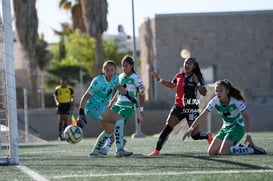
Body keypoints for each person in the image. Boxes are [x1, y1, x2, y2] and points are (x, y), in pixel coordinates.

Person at [183, 79, 266, 155]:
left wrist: (248, 135)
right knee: (211, 152)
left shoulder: (235, 101)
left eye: (221, 91)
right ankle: (237, 149)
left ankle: (252, 150)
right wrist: (190, 129)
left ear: (227, 91)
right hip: (225, 128)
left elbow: (247, 118)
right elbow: (202, 115)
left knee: (224, 151)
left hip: (237, 128)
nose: (218, 93)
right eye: (216, 91)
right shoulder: (214, 101)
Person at [149, 57, 212, 156]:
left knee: (194, 135)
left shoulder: (196, 77)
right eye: (186, 63)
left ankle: (208, 136)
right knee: (168, 126)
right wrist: (159, 79)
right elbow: (171, 85)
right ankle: (157, 150)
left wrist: (198, 83)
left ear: (194, 67)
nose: (187, 65)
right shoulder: (178, 76)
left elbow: (204, 93)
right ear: (183, 64)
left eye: (190, 64)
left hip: (191, 108)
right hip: (178, 107)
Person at [77, 60, 138, 157]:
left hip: (100, 108)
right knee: (120, 119)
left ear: (115, 71)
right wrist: (80, 113)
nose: (110, 72)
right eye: (107, 70)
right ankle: (120, 149)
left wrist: (130, 97)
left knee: (109, 131)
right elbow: (85, 97)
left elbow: (119, 87)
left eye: (112, 70)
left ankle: (95, 153)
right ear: (103, 71)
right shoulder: (98, 81)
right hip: (93, 108)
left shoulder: (115, 78)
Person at [101, 55, 145, 155]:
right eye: (123, 66)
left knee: (117, 125)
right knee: (109, 125)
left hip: (128, 106)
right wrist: (110, 104)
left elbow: (142, 93)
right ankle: (121, 141)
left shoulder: (136, 78)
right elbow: (118, 93)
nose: (124, 68)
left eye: (126, 66)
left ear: (132, 66)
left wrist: (141, 111)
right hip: (117, 105)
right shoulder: (119, 77)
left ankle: (107, 148)